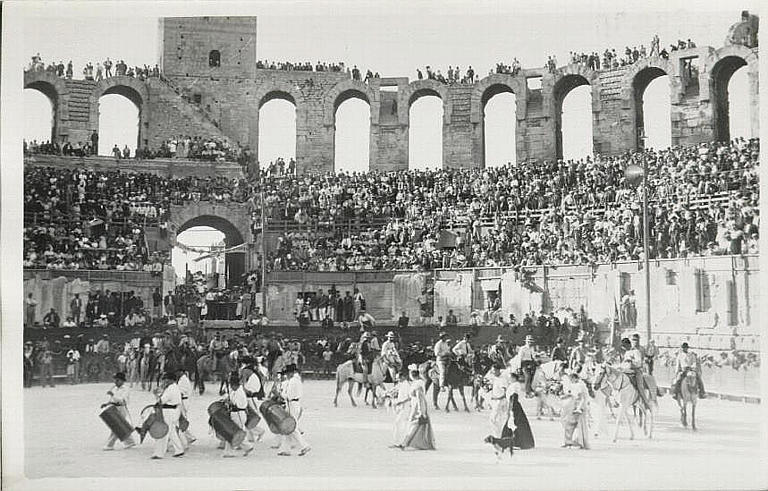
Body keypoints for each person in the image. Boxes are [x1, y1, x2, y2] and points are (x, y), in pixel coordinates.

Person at [398, 365, 436, 450]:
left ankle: (405, 443)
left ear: (412, 374)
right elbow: (412, 397)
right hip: (416, 405)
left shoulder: (418, 384)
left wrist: (421, 411)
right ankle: (406, 442)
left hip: (418, 407)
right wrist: (402, 401)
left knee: (414, 425)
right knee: (415, 425)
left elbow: (420, 398)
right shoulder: (417, 383)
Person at [276, 364, 311, 456]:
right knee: (288, 427)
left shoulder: (292, 381)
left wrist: (280, 394)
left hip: (292, 404)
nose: (286, 375)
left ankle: (304, 446)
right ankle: (286, 449)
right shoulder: (297, 380)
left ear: (291, 373)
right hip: (295, 404)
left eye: (287, 373)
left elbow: (289, 396)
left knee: (292, 427)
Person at [220, 372, 255, 457]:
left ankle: (246, 446)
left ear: (235, 385)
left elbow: (236, 404)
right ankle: (232, 450)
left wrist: (229, 402)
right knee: (232, 432)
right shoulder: (235, 391)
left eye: (232, 385)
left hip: (239, 413)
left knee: (235, 432)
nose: (231, 387)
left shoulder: (240, 392)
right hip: (235, 413)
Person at [150, 372, 185, 459]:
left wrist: (156, 394)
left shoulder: (170, 389)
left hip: (169, 411)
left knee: (164, 431)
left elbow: (161, 401)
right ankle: (179, 449)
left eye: (166, 379)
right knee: (171, 431)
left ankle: (159, 453)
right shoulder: (174, 387)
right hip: (173, 411)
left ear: (170, 380)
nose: (164, 381)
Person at [102, 372, 137, 450]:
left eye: (117, 380)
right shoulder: (115, 388)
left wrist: (113, 395)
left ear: (122, 381)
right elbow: (112, 400)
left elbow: (122, 400)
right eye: (115, 380)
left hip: (121, 408)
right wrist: (106, 404)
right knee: (120, 426)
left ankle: (109, 445)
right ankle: (130, 442)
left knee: (117, 426)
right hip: (114, 407)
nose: (115, 382)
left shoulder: (126, 389)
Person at [500, 373, 535, 449]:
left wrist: (511, 408)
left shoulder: (515, 385)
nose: (509, 379)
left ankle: (517, 442)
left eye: (510, 378)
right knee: (511, 424)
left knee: (515, 423)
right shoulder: (514, 384)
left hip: (514, 406)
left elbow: (513, 397)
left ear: (514, 378)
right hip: (513, 405)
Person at [561, 371, 590, 449]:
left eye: (571, 378)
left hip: (579, 407)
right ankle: (568, 441)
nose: (570, 380)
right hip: (572, 406)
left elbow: (581, 397)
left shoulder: (580, 385)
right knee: (569, 424)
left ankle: (580, 442)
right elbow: (571, 394)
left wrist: (579, 408)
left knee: (580, 425)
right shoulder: (574, 385)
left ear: (575, 378)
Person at [621, 333, 649, 408]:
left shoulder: (636, 351)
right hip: (626, 371)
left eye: (625, 346)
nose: (624, 348)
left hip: (636, 371)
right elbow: (624, 363)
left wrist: (631, 362)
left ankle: (645, 401)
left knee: (640, 386)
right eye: (633, 340)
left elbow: (639, 363)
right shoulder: (627, 352)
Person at [486, 363, 509, 438]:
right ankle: (499, 434)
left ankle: (498, 436)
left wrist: (498, 398)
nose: (493, 372)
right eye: (492, 371)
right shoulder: (495, 378)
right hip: (495, 401)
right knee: (498, 419)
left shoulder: (503, 379)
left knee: (494, 419)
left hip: (500, 401)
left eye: (494, 371)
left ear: (498, 370)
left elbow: (505, 392)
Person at [176, 368, 197, 448]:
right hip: (182, 401)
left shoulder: (184, 380)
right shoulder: (181, 379)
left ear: (181, 372)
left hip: (183, 402)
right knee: (181, 420)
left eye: (178, 372)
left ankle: (189, 438)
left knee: (182, 420)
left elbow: (181, 392)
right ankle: (190, 437)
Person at [390, 371, 411, 448]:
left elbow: (409, 397)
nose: (398, 379)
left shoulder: (406, 385)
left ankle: (399, 442)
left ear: (403, 377)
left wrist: (400, 402)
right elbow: (394, 390)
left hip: (405, 407)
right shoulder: (401, 384)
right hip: (400, 406)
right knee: (399, 424)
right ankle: (398, 442)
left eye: (399, 378)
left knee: (399, 423)